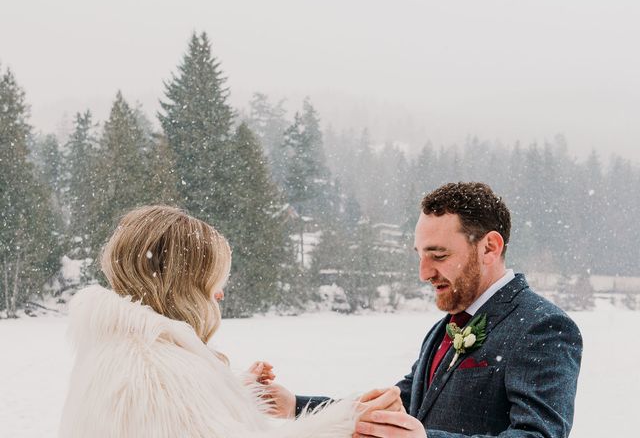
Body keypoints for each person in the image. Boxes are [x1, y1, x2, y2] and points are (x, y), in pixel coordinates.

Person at [268, 182, 583, 437]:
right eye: (420, 254)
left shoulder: (543, 327)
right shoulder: (444, 328)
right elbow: (400, 404)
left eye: (439, 255)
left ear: (489, 247)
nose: (423, 272)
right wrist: (295, 405)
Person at [59, 205, 401, 438]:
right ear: (183, 284)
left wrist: (232, 391)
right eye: (212, 281)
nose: (219, 295)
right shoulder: (149, 369)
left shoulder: (121, 350)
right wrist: (349, 422)